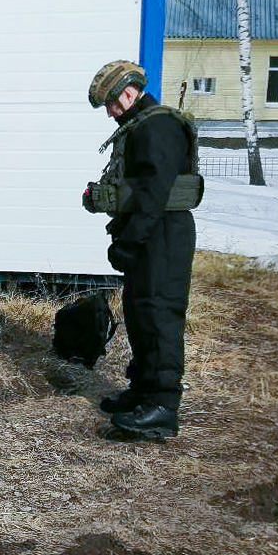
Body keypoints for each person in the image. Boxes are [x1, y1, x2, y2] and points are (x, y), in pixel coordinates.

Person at [82, 59, 202, 439]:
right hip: (150, 230)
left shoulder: (158, 125)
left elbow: (155, 191)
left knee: (160, 314)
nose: (111, 113)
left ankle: (163, 406)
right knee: (139, 312)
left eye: (112, 105)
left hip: (162, 232)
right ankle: (143, 389)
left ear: (129, 93)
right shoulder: (142, 124)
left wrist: (131, 241)